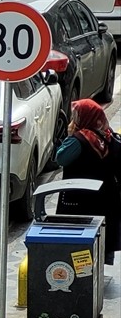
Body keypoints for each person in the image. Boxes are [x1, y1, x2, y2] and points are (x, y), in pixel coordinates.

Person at [54, 100, 121, 264]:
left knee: (79, 245)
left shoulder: (79, 139)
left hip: (79, 203)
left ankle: (84, 280)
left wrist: (70, 136)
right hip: (106, 199)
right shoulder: (107, 135)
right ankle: (94, 276)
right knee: (99, 240)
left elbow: (61, 158)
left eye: (76, 115)